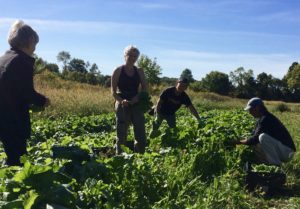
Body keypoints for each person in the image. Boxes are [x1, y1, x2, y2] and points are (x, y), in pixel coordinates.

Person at [0, 20, 50, 166]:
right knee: (17, 159)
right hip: (11, 118)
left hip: (3, 115)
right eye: (35, 43)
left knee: (11, 153)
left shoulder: (3, 58)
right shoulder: (21, 61)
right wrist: (43, 101)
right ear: (29, 40)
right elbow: (26, 92)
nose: (35, 48)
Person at [235, 97, 296, 166]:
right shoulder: (261, 119)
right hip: (282, 149)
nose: (250, 112)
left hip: (287, 152)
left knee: (262, 137)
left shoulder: (266, 119)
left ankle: (275, 165)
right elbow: (253, 136)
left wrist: (239, 142)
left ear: (257, 108)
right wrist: (243, 139)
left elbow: (255, 139)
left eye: (251, 109)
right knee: (256, 142)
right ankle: (265, 163)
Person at [111, 45, 148, 154]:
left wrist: (137, 98)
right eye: (130, 55)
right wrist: (121, 101)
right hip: (122, 104)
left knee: (140, 134)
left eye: (135, 56)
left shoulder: (140, 71)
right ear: (125, 56)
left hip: (136, 103)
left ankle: (140, 156)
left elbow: (145, 89)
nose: (132, 58)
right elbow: (113, 92)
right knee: (121, 134)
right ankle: (120, 158)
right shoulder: (118, 70)